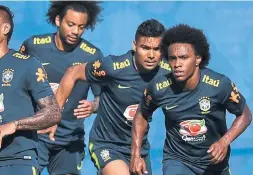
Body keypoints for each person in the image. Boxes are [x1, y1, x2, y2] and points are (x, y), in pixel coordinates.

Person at [131, 24, 252, 175]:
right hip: (177, 160)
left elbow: (245, 114)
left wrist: (224, 142)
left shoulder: (219, 85)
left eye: (184, 58)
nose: (177, 64)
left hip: (213, 164)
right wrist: (135, 154)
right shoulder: (158, 87)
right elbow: (141, 115)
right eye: (172, 59)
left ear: (198, 59)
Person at [55, 19, 170, 175]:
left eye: (156, 49)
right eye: (145, 48)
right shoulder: (113, 67)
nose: (151, 55)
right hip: (106, 144)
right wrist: (53, 114)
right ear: (134, 46)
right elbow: (72, 73)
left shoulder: (168, 73)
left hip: (139, 148)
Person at [0, 1, 61, 175]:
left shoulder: (28, 64)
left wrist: (15, 125)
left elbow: (53, 112)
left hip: (19, 161)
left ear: (5, 29)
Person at [20, 1, 103, 174]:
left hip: (69, 141)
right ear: (58, 20)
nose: (75, 31)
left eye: (81, 27)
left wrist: (93, 106)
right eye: (70, 24)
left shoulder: (93, 56)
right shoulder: (33, 46)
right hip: (35, 137)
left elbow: (102, 98)